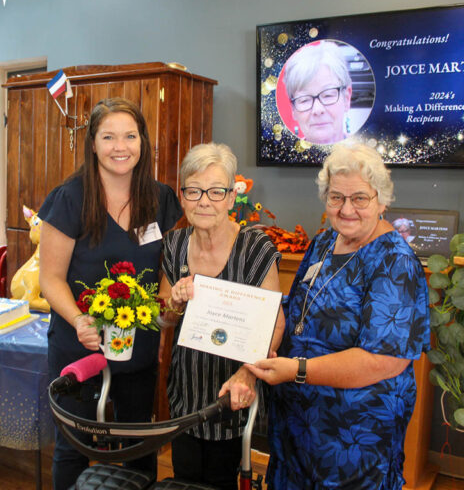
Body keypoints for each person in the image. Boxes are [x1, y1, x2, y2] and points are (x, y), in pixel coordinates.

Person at [247, 143, 430, 489]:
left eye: (359, 198)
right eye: (336, 197)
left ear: (382, 200)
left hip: (353, 435)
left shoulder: (395, 262)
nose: (347, 209)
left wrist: (298, 369)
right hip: (299, 424)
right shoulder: (324, 242)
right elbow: (297, 305)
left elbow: (383, 361)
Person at [38, 97, 183, 490]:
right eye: (109, 137)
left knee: (138, 444)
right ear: (93, 144)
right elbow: (49, 278)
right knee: (74, 446)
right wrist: (79, 320)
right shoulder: (70, 198)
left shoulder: (161, 198)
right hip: (79, 346)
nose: (121, 147)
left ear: (143, 142)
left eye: (130, 136)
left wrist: (168, 309)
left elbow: (168, 269)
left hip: (139, 347)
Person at [159, 142, 285, 490]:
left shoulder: (256, 248)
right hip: (185, 392)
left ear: (231, 198)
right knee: (184, 479)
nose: (204, 201)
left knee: (222, 481)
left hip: (234, 394)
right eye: (194, 190)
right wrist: (176, 303)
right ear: (182, 197)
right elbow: (162, 319)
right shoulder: (174, 245)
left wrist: (248, 374)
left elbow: (275, 322)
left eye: (216, 191)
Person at [284, 41, 353, 145]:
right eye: (304, 100)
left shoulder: (368, 156)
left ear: (346, 98)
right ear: (293, 109)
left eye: (328, 95)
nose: (317, 110)